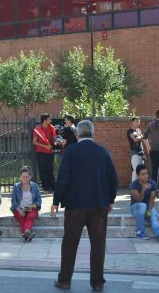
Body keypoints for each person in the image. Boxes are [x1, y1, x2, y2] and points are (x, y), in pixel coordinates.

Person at [52, 120, 118, 292]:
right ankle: (98, 283)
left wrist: (55, 201)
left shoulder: (71, 151)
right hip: (99, 204)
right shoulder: (103, 152)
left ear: (77, 134)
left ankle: (65, 280)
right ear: (93, 134)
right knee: (98, 244)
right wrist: (110, 200)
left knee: (70, 243)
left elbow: (63, 177)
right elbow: (113, 178)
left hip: (75, 205)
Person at [129, 164, 159, 242]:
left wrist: (149, 210)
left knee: (153, 216)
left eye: (146, 173)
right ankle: (140, 232)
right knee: (142, 205)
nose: (146, 176)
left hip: (147, 206)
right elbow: (138, 200)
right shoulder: (133, 185)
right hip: (136, 207)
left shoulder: (152, 184)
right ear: (138, 175)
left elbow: (152, 199)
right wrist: (143, 190)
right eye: (143, 174)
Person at [10, 166, 42, 242]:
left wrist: (33, 206)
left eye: (27, 177)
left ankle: (26, 233)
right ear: (20, 177)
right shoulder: (16, 186)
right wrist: (19, 210)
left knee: (30, 217)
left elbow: (39, 201)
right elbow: (13, 202)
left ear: (30, 177)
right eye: (23, 177)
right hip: (19, 209)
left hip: (31, 208)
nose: (25, 179)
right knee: (22, 219)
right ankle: (28, 234)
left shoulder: (35, 186)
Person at [33, 113, 57, 193]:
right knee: (42, 170)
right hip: (40, 152)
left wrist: (55, 141)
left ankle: (53, 187)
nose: (51, 120)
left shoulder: (52, 128)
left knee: (50, 170)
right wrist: (44, 146)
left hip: (50, 152)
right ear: (45, 120)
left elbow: (54, 139)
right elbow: (34, 142)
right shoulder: (38, 129)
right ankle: (46, 187)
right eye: (49, 119)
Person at [127, 117, 147, 182]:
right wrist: (141, 136)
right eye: (137, 121)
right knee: (136, 170)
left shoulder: (138, 130)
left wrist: (144, 152)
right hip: (135, 153)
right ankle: (133, 187)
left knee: (142, 171)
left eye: (139, 121)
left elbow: (143, 139)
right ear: (132, 122)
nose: (138, 122)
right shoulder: (129, 131)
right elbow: (135, 139)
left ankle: (140, 185)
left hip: (141, 153)